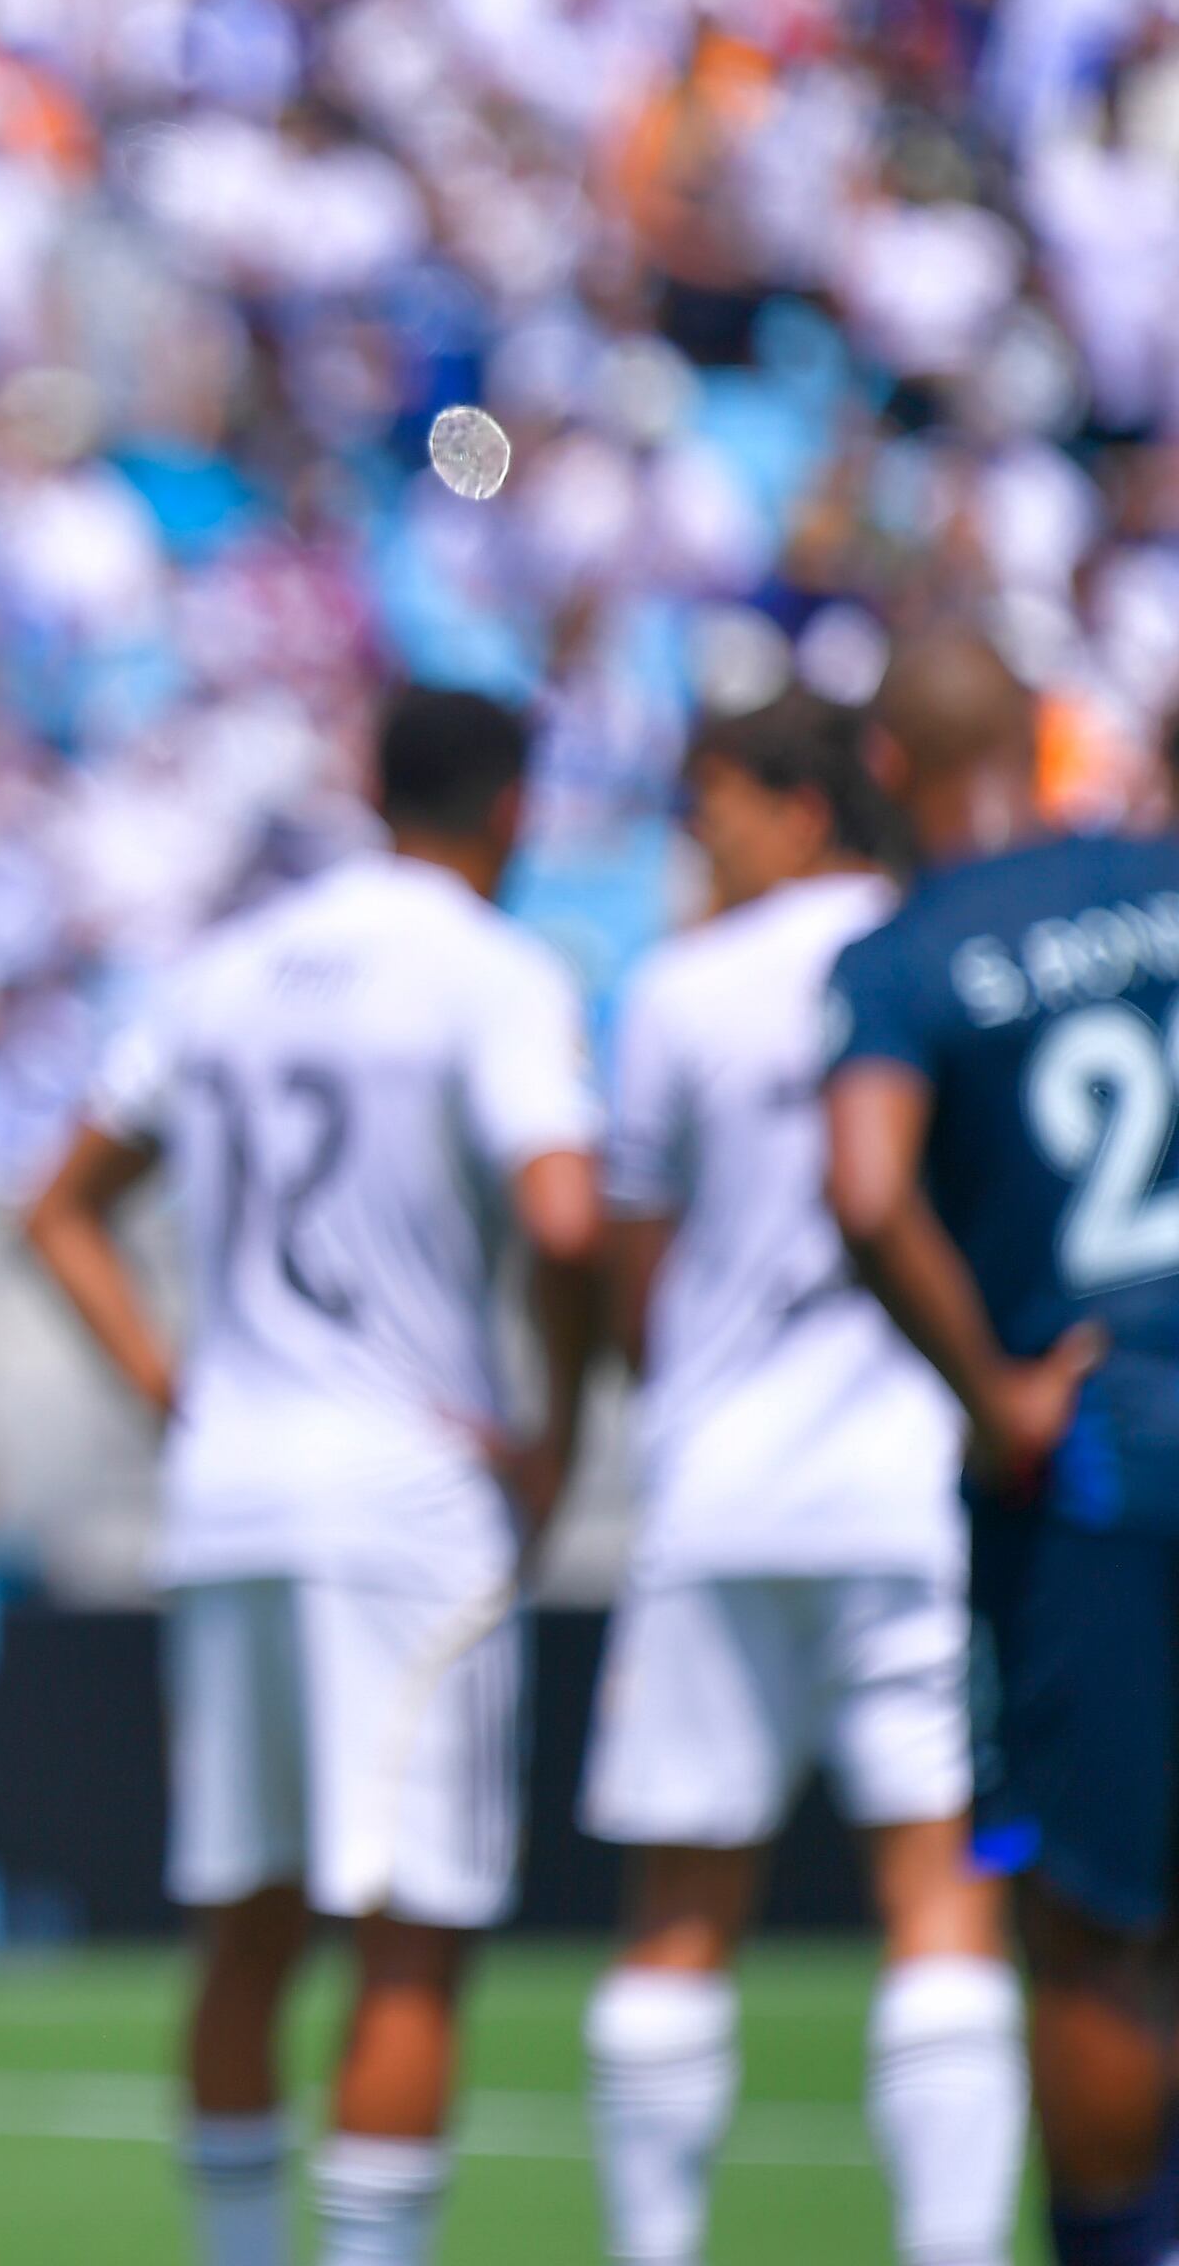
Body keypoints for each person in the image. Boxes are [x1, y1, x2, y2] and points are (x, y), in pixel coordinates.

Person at [24, 686, 603, 2266]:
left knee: (245, 1932)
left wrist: (173, 1391)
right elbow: (564, 1218)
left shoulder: (220, 972)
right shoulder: (493, 971)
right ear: (511, 811)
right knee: (409, 1949)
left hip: (232, 1495)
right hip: (402, 1497)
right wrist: (556, 1421)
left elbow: (59, 1208)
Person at [583, 693, 1024, 2266]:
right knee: (942, 1896)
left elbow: (637, 1274)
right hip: (911, 1487)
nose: (695, 840)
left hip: (720, 1494)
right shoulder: (941, 953)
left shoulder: (679, 991)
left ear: (801, 806)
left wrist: (676, 1400)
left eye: (714, 806)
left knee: (680, 1917)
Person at [821, 627, 1179, 2266]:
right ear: (1041, 738)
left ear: (886, 771)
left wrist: (992, 1389)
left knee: (1100, 1927)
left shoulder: (906, 955)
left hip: (1103, 1460)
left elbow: (868, 1187)